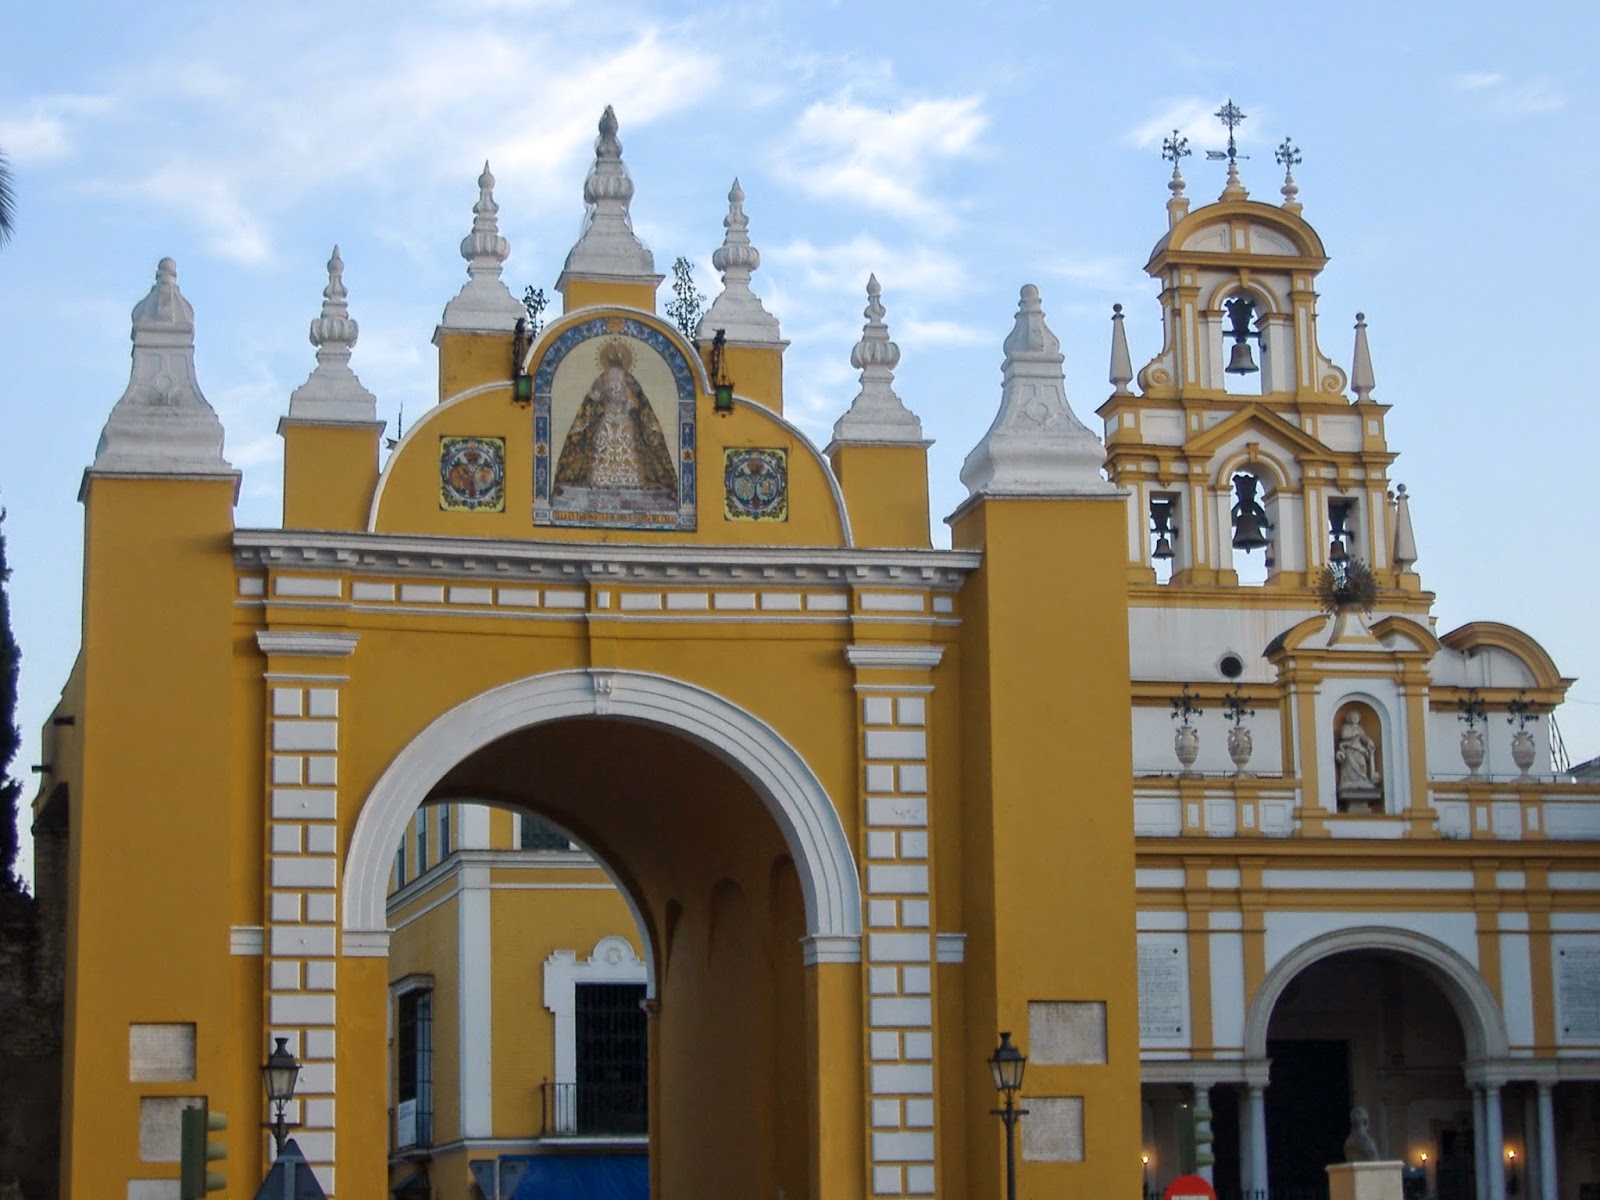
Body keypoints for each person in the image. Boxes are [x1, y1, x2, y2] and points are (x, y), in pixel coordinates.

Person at [555, 339, 676, 510]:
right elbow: (595, 399)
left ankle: (628, 482)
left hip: (623, 420)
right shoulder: (608, 378)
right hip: (608, 419)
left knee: (626, 448)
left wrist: (622, 401)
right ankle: (601, 481)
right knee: (604, 447)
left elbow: (633, 401)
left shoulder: (622, 378)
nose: (614, 378)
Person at [1336, 711, 1380, 796]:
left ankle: (1362, 780)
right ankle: (1349, 781)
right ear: (1349, 718)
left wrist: (1369, 741)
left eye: (1356, 717)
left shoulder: (1360, 728)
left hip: (1359, 749)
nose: (1355, 719)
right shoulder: (1346, 727)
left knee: (1362, 764)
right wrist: (1353, 733)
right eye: (1353, 717)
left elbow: (1363, 737)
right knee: (1350, 766)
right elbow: (1343, 735)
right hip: (1349, 749)